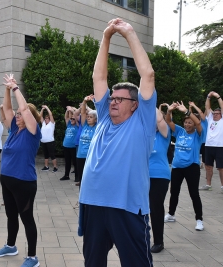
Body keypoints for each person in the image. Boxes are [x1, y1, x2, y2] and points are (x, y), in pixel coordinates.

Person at [79, 18, 156, 267]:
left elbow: (148, 74)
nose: (112, 101)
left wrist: (130, 33)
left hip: (126, 208)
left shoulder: (141, 122)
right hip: (93, 204)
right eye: (112, 97)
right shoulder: (103, 118)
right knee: (93, 262)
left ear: (135, 105)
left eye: (120, 99)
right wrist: (106, 37)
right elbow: (98, 77)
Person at [0, 73, 42, 267]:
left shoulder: (32, 132)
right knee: (11, 215)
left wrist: (15, 88)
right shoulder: (14, 129)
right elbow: (8, 108)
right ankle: (11, 246)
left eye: (22, 114)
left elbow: (22, 108)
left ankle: (32, 258)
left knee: (27, 218)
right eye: (18, 115)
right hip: (8, 181)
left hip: (24, 183)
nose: (18, 116)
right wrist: (6, 89)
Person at [164, 101, 206, 231]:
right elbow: (169, 122)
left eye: (190, 122)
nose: (187, 124)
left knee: (194, 193)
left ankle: (199, 220)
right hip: (177, 167)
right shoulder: (180, 131)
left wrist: (187, 111)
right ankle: (171, 214)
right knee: (174, 192)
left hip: (191, 167)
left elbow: (199, 123)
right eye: (186, 122)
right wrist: (169, 111)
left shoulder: (198, 134)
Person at [148, 106, 171, 253]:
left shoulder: (164, 134)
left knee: (155, 207)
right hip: (143, 176)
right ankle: (141, 237)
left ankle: (159, 241)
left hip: (160, 176)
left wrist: (150, 103)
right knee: (141, 208)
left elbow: (160, 120)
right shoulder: (145, 135)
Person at [199, 91, 223, 191]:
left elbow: (222, 106)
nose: (215, 115)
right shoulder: (210, 119)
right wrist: (208, 97)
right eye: (214, 113)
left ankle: (222, 186)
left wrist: (217, 96)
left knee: (221, 168)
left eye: (217, 114)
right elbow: (207, 108)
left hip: (220, 146)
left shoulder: (222, 120)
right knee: (208, 166)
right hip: (208, 146)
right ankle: (208, 185)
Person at [76, 95, 97, 188]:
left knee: (89, 179)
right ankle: (81, 200)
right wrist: (84, 101)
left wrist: (94, 101)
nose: (88, 118)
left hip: (90, 157)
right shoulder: (85, 125)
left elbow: (101, 112)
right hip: (80, 155)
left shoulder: (97, 128)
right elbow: (83, 112)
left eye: (91, 117)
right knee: (81, 179)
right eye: (88, 117)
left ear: (96, 119)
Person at [60, 106, 79, 180]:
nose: (71, 120)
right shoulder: (69, 124)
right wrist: (67, 110)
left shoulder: (77, 125)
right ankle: (66, 175)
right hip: (66, 146)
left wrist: (72, 111)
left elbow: (76, 117)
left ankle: (77, 177)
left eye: (73, 119)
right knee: (67, 162)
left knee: (75, 162)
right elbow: (66, 117)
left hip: (73, 147)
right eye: (71, 119)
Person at [40, 105, 58, 172]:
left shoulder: (52, 123)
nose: (45, 119)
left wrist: (47, 108)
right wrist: (42, 109)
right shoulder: (43, 123)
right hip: (43, 141)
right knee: (45, 155)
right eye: (45, 118)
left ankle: (55, 167)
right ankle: (46, 166)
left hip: (50, 141)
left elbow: (51, 115)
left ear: (49, 119)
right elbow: (40, 116)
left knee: (52, 154)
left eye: (47, 118)